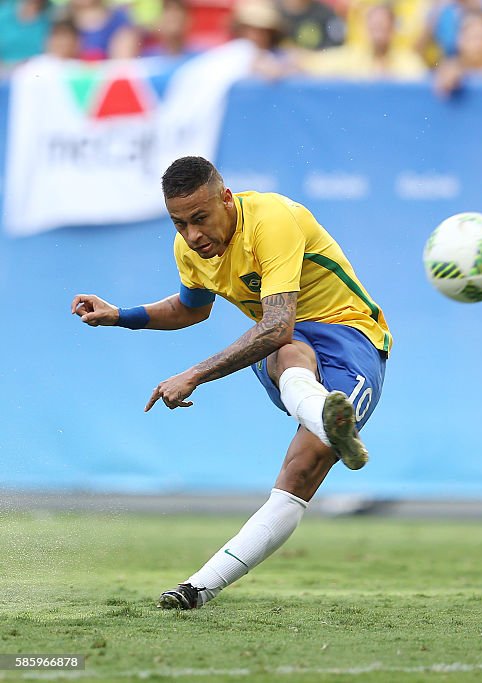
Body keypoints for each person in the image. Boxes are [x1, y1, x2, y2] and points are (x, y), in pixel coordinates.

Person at [71, 156, 391, 610]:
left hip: (348, 335)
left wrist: (194, 374)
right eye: (179, 223)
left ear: (226, 198)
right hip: (286, 348)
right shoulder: (189, 249)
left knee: (300, 471)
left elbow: (277, 323)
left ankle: (325, 422)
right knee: (288, 353)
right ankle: (196, 589)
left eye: (200, 218)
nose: (192, 235)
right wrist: (120, 315)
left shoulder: (272, 219)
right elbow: (191, 308)